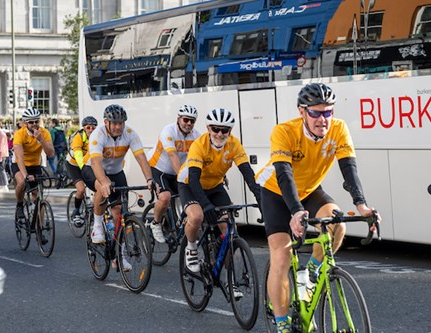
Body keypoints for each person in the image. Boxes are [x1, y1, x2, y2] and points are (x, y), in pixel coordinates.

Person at [255, 83, 381, 333]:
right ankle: (282, 324)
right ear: (302, 112)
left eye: (327, 112)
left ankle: (309, 274)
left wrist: (362, 205)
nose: (322, 119)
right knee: (281, 255)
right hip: (275, 192)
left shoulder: (339, 128)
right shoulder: (284, 131)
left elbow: (349, 168)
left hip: (310, 189)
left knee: (338, 226)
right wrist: (295, 211)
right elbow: (284, 174)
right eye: (315, 113)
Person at [177, 108, 261, 275]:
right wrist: (206, 205)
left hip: (214, 186)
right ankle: (192, 247)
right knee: (197, 216)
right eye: (216, 129)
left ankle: (231, 279)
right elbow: (193, 179)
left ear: (230, 131)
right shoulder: (199, 145)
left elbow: (248, 174)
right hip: (190, 185)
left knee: (229, 228)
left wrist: (262, 200)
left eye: (225, 130)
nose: (220, 134)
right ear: (208, 128)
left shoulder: (234, 144)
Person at [82, 104, 154, 270]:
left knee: (119, 215)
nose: (117, 126)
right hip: (92, 169)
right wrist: (104, 181)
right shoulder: (98, 134)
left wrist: (149, 179)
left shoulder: (129, 134)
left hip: (116, 172)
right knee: (102, 186)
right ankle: (97, 226)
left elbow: (141, 157)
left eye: (121, 123)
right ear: (106, 123)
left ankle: (119, 257)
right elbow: (95, 162)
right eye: (114, 123)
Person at [147, 105, 201, 243]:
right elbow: (172, 155)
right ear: (178, 119)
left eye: (192, 121)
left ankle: (178, 224)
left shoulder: (196, 135)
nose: (188, 124)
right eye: (186, 120)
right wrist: (183, 179)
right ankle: (156, 223)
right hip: (160, 169)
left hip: (179, 171)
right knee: (165, 197)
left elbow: (202, 157)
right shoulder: (168, 131)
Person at [13, 108, 55, 220]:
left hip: (35, 164)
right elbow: (20, 157)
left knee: (38, 196)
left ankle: (39, 230)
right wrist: (26, 175)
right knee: (22, 182)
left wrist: (41, 139)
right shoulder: (20, 134)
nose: (34, 124)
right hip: (19, 163)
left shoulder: (44, 133)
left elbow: (50, 153)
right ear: (26, 123)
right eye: (31, 122)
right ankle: (19, 204)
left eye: (36, 121)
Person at [67, 116, 98, 223]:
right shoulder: (78, 137)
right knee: (81, 189)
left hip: (88, 165)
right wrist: (84, 168)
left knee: (99, 188)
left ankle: (95, 209)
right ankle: (76, 211)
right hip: (74, 165)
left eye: (93, 128)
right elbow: (78, 155)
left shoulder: (98, 137)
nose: (91, 130)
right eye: (88, 127)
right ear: (84, 128)